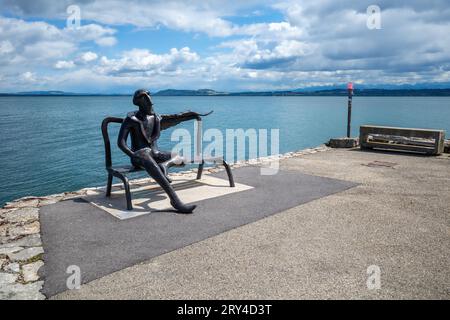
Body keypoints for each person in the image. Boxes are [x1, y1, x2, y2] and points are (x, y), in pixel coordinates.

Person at [117, 89, 210, 213]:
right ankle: (175, 201)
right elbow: (121, 143)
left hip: (155, 153)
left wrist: (191, 115)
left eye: (149, 99)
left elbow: (176, 117)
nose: (150, 102)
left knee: (177, 157)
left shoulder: (155, 117)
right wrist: (133, 155)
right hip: (140, 154)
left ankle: (165, 165)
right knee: (150, 162)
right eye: (145, 100)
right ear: (139, 103)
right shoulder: (131, 119)